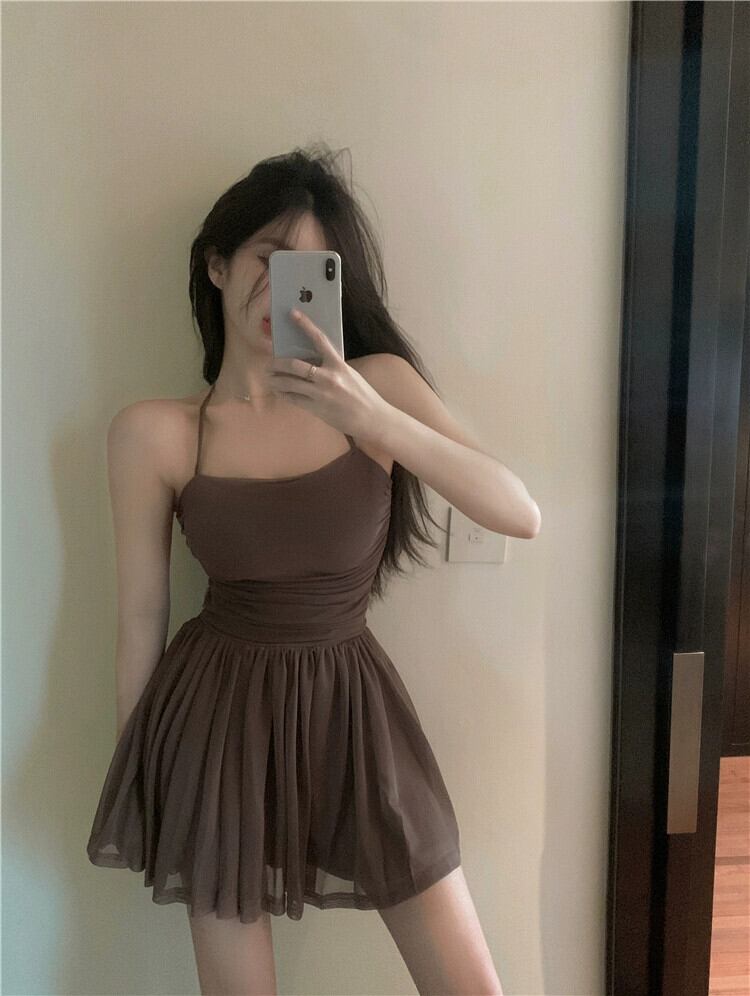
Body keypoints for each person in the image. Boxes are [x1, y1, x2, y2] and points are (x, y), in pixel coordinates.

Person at [88, 144, 535, 995]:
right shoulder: (157, 433)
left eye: (307, 268)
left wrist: (376, 419)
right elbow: (141, 614)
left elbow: (519, 511)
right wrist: (136, 774)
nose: (279, 287)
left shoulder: (380, 387)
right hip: (215, 724)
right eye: (266, 258)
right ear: (216, 265)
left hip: (356, 711)